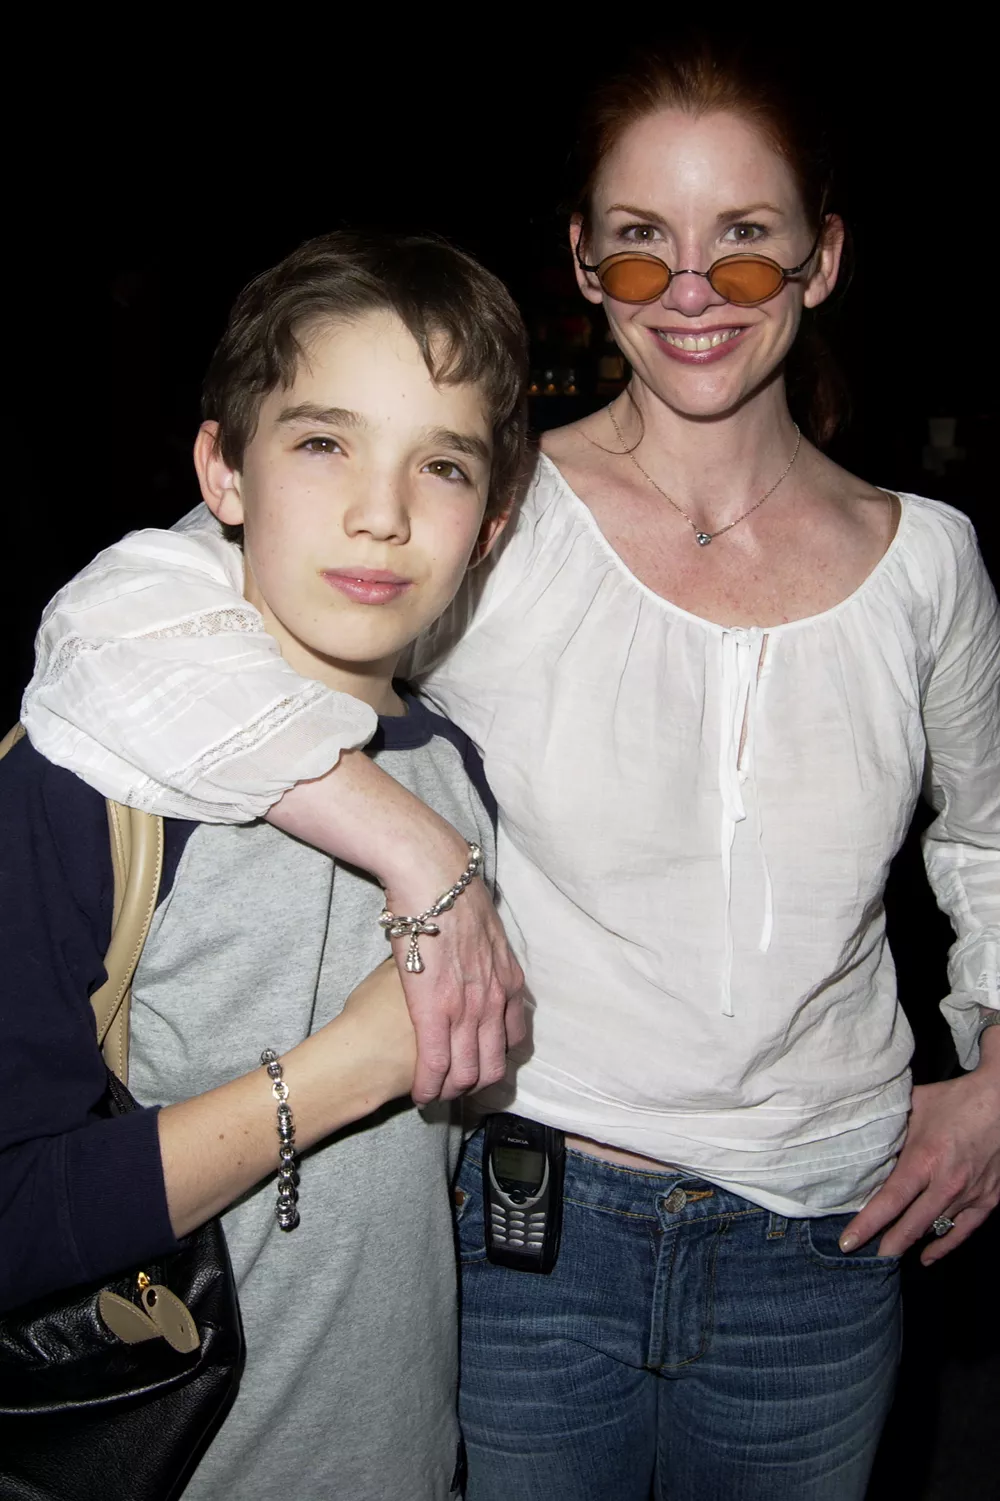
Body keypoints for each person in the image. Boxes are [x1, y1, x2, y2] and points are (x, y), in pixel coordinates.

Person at [21, 39, 1000, 1501]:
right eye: (639, 243)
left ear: (822, 259)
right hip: (534, 1228)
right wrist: (411, 844)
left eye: (744, 246)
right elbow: (125, 621)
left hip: (825, 1234)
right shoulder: (493, 512)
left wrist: (999, 1067)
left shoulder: (926, 559)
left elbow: (987, 837)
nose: (689, 290)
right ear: (585, 266)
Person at [1, 229, 531, 1499]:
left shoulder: (453, 775)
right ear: (222, 470)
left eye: (441, 465)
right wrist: (349, 1067)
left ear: (492, 525)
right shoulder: (82, 779)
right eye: (321, 441)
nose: (381, 512)